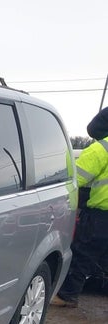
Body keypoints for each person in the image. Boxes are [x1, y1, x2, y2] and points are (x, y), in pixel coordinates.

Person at [51, 107, 108, 307]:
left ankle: (67, 295)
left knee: (84, 253)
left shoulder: (101, 149)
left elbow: (74, 180)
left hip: (102, 216)